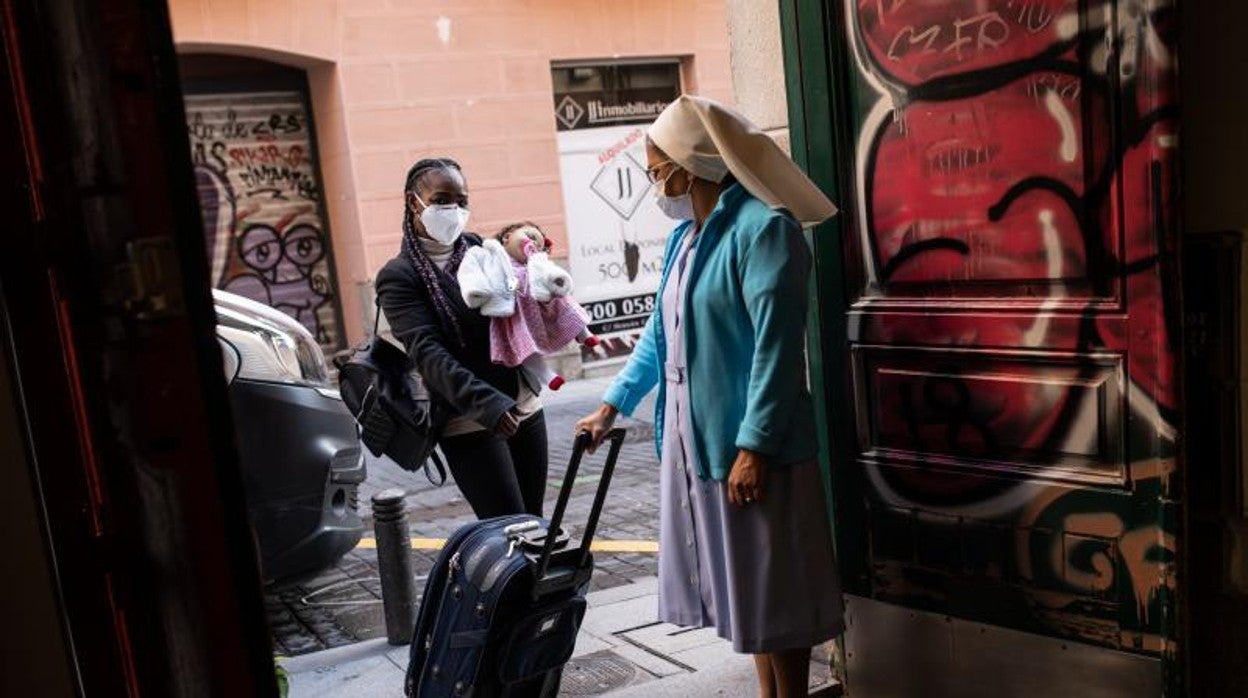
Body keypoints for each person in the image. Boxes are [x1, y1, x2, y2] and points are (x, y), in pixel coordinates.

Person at [575, 95, 845, 698]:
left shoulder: (765, 231)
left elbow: (777, 351)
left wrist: (753, 446)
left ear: (686, 166)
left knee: (777, 592)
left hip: (754, 447)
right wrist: (610, 404)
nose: (653, 183)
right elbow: (658, 334)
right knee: (743, 591)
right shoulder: (685, 238)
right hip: (695, 443)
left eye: (654, 169)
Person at [376, 158, 548, 519]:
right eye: (441, 199)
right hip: (469, 420)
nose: (453, 209)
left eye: (461, 200)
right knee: (507, 529)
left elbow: (519, 311)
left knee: (534, 526)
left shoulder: (482, 249)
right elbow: (428, 352)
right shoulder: (400, 276)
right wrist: (487, 404)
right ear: (413, 203)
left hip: (524, 405)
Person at [456, 221, 598, 391]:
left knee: (564, 300)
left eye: (539, 245)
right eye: (530, 237)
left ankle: (582, 332)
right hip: (513, 313)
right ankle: (545, 374)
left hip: (540, 305)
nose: (534, 244)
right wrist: (477, 290)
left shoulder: (537, 264)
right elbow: (472, 272)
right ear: (507, 237)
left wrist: (554, 280)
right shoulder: (491, 255)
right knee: (523, 343)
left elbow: (554, 277)